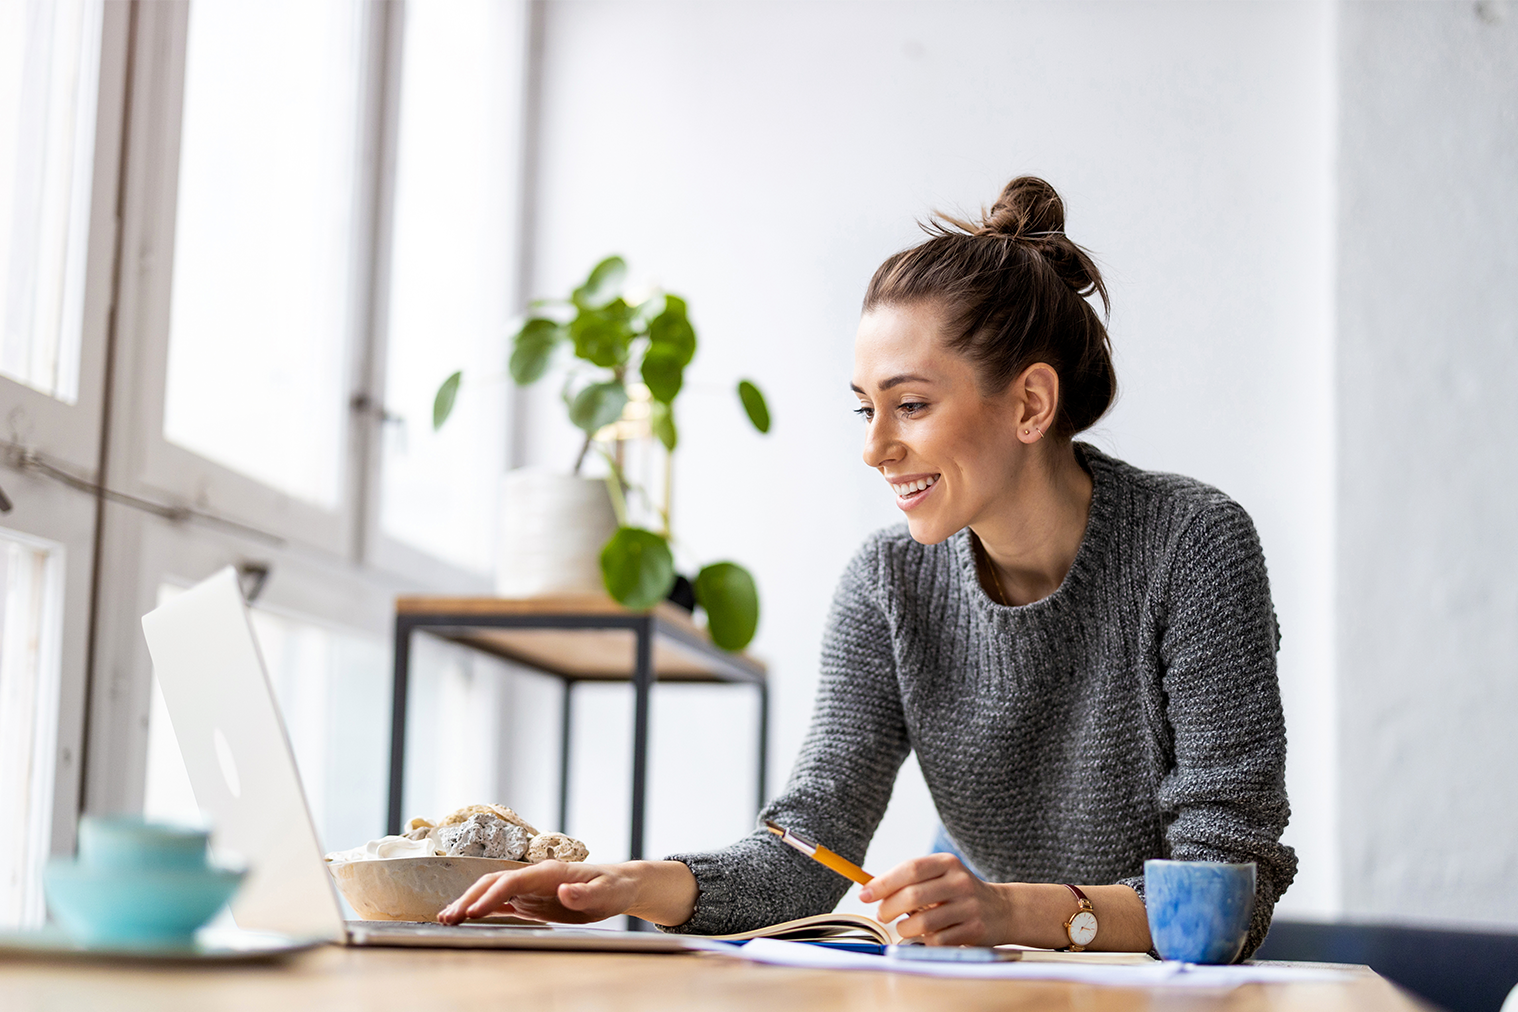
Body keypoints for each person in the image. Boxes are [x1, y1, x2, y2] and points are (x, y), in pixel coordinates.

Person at [439, 175, 1297, 958]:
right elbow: (810, 848)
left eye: (911, 406)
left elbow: (1228, 893)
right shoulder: (889, 583)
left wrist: (1006, 912)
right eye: (865, 410)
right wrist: (634, 886)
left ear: (1030, 404)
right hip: (988, 980)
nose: (876, 449)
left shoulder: (1193, 545)